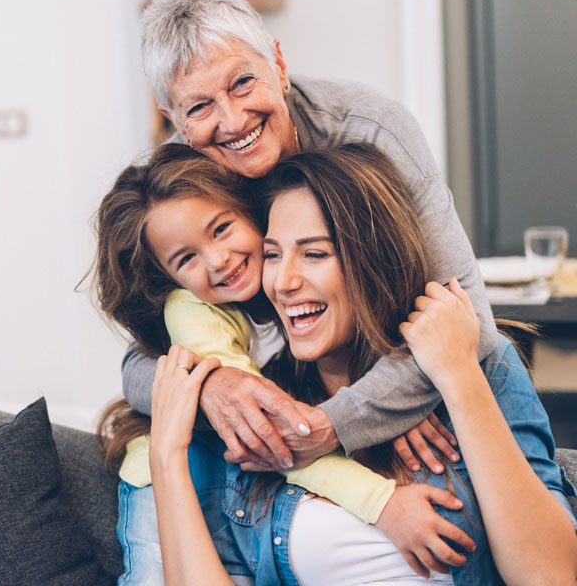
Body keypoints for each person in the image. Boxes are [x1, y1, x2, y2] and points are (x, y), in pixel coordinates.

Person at [98, 143, 577, 585]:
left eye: (315, 253)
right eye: (272, 254)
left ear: (372, 260)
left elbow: (553, 576)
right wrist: (167, 454)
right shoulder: (266, 412)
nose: (283, 281)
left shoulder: (479, 370)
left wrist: (457, 377)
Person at [122, 0, 499, 476]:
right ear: (175, 122)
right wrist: (211, 386)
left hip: (398, 396)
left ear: (278, 65)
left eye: (241, 82)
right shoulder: (177, 186)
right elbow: (136, 365)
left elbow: (472, 325)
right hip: (286, 408)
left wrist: (343, 418)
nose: (233, 121)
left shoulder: (371, 131)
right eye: (199, 108)